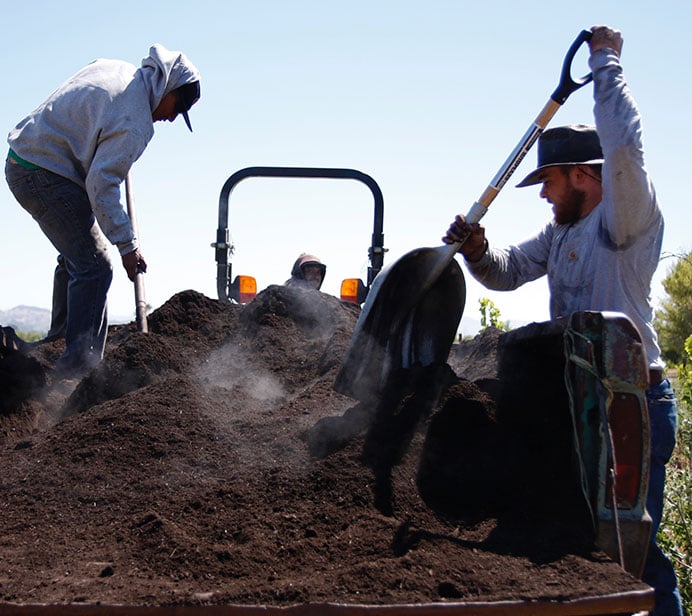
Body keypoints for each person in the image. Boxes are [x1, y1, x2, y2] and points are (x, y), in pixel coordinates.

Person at [443, 25, 682, 615]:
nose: (543, 194)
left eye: (547, 181)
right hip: (577, 405)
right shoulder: (562, 233)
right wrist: (476, 249)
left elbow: (624, 146)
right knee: (577, 545)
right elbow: (506, 271)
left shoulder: (623, 222)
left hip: (631, 402)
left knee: (632, 553)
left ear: (584, 174)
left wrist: (605, 60)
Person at [5, 44, 201, 377]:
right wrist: (128, 246)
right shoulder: (135, 122)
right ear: (166, 87)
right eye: (177, 106)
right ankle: (79, 370)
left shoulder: (117, 69)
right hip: (43, 172)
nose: (170, 117)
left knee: (78, 255)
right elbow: (102, 186)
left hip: (24, 157)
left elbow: (89, 106)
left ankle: (59, 339)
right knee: (95, 266)